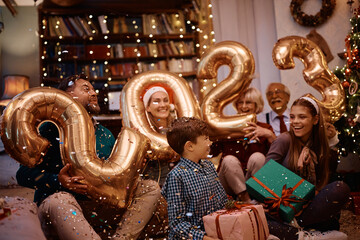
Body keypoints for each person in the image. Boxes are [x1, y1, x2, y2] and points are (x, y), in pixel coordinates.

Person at [16, 74, 161, 240]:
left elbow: (114, 178)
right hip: (62, 203)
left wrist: (133, 166)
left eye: (93, 89)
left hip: (100, 205)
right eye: (86, 89)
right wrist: (59, 181)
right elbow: (23, 175)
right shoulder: (49, 130)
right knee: (59, 200)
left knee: (150, 187)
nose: (94, 93)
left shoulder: (104, 133)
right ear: (67, 97)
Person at [264, 97, 350, 240]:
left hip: (308, 207)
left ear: (315, 120)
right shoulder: (284, 140)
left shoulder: (320, 146)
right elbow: (266, 176)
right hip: (283, 206)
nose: (295, 121)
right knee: (262, 222)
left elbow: (324, 183)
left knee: (340, 189)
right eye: (292, 117)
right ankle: (307, 235)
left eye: (302, 117)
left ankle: (296, 231)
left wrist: (332, 141)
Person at [161, 117, 228, 240]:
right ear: (190, 146)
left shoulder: (208, 166)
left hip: (217, 230)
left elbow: (222, 200)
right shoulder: (176, 176)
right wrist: (204, 238)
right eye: (206, 139)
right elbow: (177, 224)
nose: (210, 142)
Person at [211, 87, 276, 202]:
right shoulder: (227, 127)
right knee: (229, 160)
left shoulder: (265, 128)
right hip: (228, 184)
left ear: (257, 106)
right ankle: (245, 200)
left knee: (258, 157)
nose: (244, 106)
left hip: (256, 183)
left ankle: (261, 199)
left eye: (248, 102)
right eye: (240, 102)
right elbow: (211, 153)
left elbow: (277, 157)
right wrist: (213, 133)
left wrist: (269, 135)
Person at [142, 85, 176, 186]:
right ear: (148, 107)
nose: (162, 105)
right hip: (157, 186)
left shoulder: (177, 127)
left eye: (165, 100)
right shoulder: (145, 132)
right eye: (156, 101)